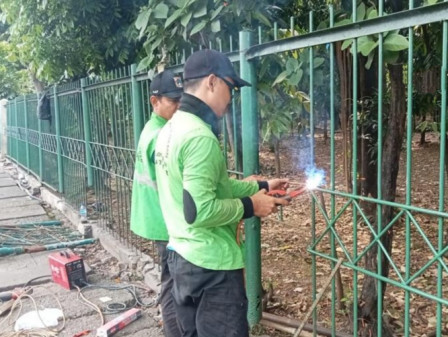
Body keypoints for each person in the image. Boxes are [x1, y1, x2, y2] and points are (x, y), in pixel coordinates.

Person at [154, 49, 290, 337]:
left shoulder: (171, 129)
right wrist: (251, 206)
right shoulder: (199, 137)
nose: (232, 98)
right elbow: (199, 211)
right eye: (231, 88)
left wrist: (261, 187)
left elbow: (215, 188)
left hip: (182, 258)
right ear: (212, 82)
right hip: (211, 269)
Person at [130, 70, 183, 337]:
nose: (178, 107)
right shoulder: (160, 136)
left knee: (171, 280)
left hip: (157, 217)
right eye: (173, 102)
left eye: (181, 100)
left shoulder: (155, 128)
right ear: (155, 101)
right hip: (164, 221)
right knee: (173, 286)